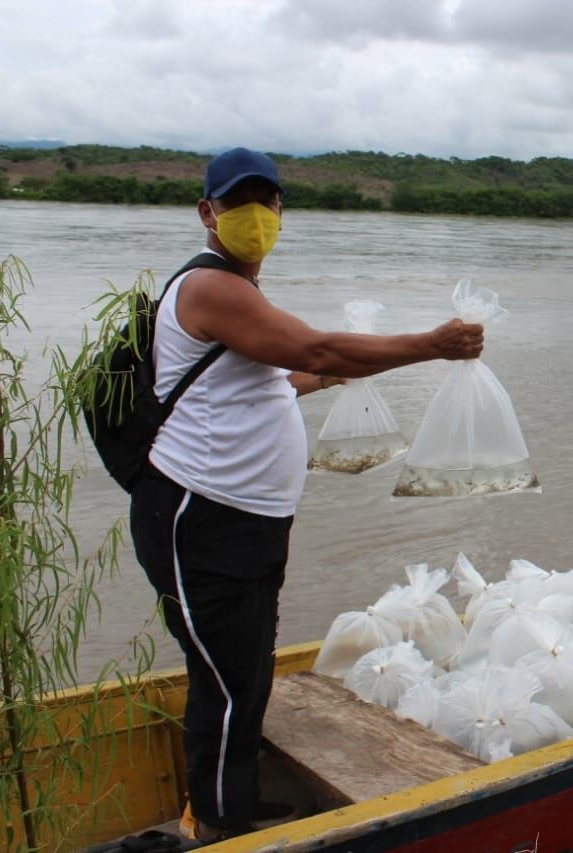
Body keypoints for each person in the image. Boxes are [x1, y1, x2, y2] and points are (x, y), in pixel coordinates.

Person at [128, 147, 484, 842]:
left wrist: (333, 382)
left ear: (282, 213)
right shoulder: (210, 286)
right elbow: (315, 348)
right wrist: (432, 344)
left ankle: (236, 802)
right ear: (207, 213)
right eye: (239, 204)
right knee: (228, 679)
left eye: (268, 203)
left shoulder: (242, 296)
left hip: (250, 522)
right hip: (201, 518)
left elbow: (274, 380)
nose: (255, 217)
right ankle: (223, 826)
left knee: (245, 667)